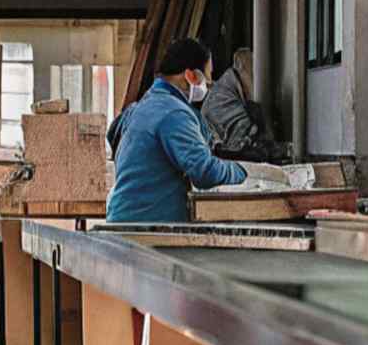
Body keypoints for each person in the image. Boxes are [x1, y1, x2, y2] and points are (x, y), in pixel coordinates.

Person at [107, 38, 288, 223]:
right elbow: (205, 172)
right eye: (207, 77)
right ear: (191, 76)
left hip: (124, 216)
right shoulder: (173, 112)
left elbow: (112, 134)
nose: (208, 85)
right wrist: (244, 172)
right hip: (147, 223)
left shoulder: (143, 105)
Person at [199, 49, 289, 162]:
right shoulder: (223, 99)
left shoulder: (226, 89)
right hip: (221, 153)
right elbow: (240, 142)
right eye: (251, 72)